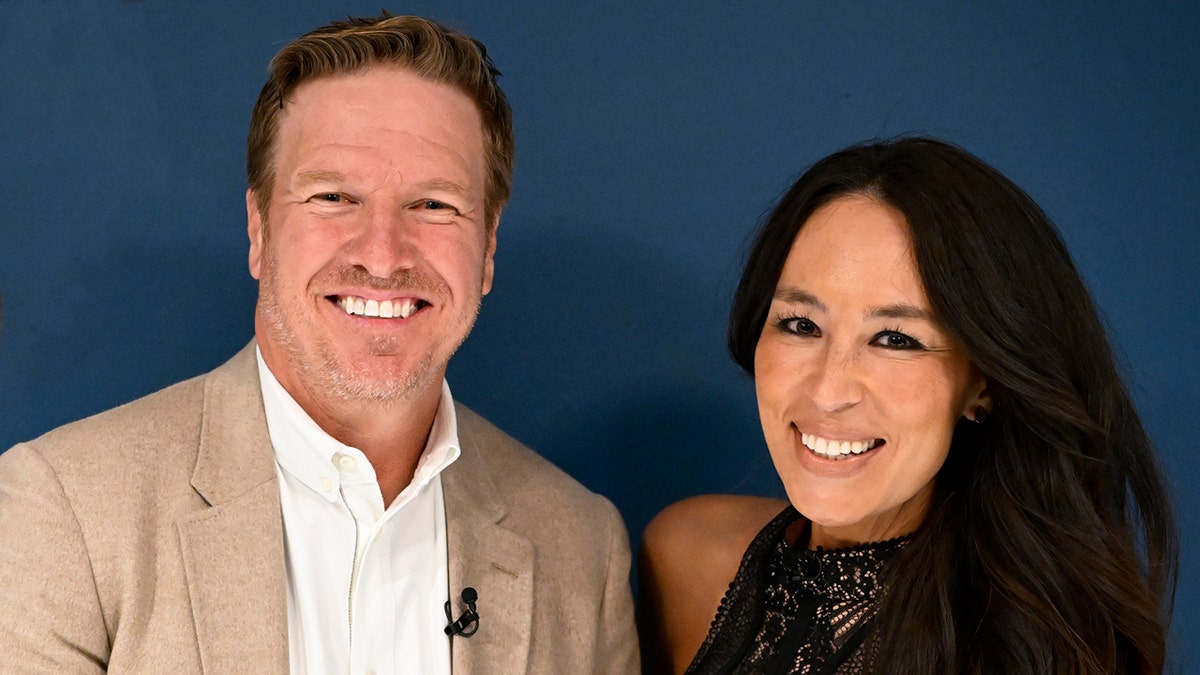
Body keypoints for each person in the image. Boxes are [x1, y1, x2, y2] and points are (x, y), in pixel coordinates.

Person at [0, 14, 638, 673]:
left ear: (488, 248)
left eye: (435, 205)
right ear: (259, 229)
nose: (384, 255)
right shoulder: (68, 511)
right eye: (334, 196)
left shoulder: (581, 548)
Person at [638, 137, 1178, 674]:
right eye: (801, 325)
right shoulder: (685, 554)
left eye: (896, 339)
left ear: (983, 383)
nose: (829, 390)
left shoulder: (1037, 651)